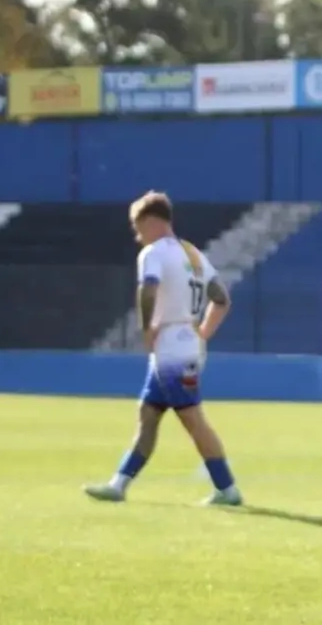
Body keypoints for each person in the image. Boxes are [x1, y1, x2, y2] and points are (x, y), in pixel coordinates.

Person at [82, 191, 240, 506]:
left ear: (152, 222)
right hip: (187, 343)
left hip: (170, 346)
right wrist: (203, 333)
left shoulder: (153, 253)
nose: (137, 236)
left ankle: (228, 488)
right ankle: (119, 484)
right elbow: (221, 299)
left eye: (138, 227)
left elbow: (148, 287)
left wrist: (146, 329)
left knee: (192, 418)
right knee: (148, 414)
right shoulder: (194, 254)